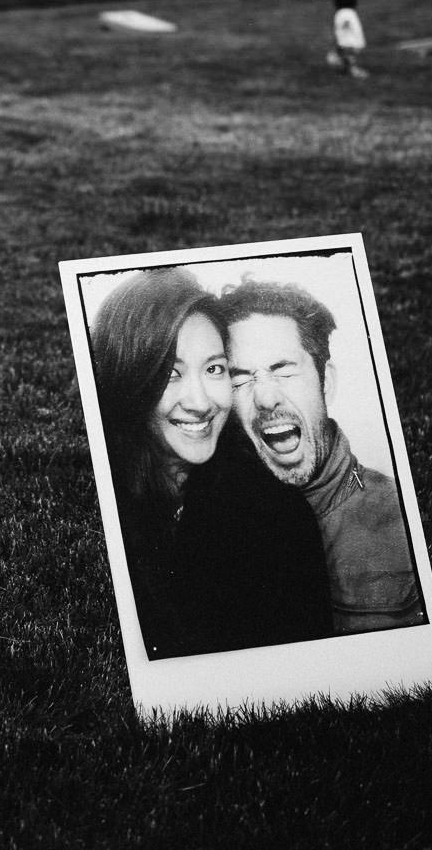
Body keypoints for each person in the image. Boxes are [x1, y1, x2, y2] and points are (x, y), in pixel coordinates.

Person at [90, 269, 331, 659]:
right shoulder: (99, 498)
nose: (201, 402)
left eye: (215, 369)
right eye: (171, 373)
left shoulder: (275, 519)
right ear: (129, 379)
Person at [220, 279, 426, 635]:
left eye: (283, 369)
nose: (266, 398)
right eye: (241, 379)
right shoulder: (211, 530)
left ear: (325, 381)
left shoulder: (403, 516)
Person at [331, 0, 367, 78]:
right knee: (344, 57)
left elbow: (345, 24)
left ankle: (354, 71)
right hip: (356, 43)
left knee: (335, 58)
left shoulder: (342, 12)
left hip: (348, 43)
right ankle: (346, 69)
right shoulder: (350, 12)